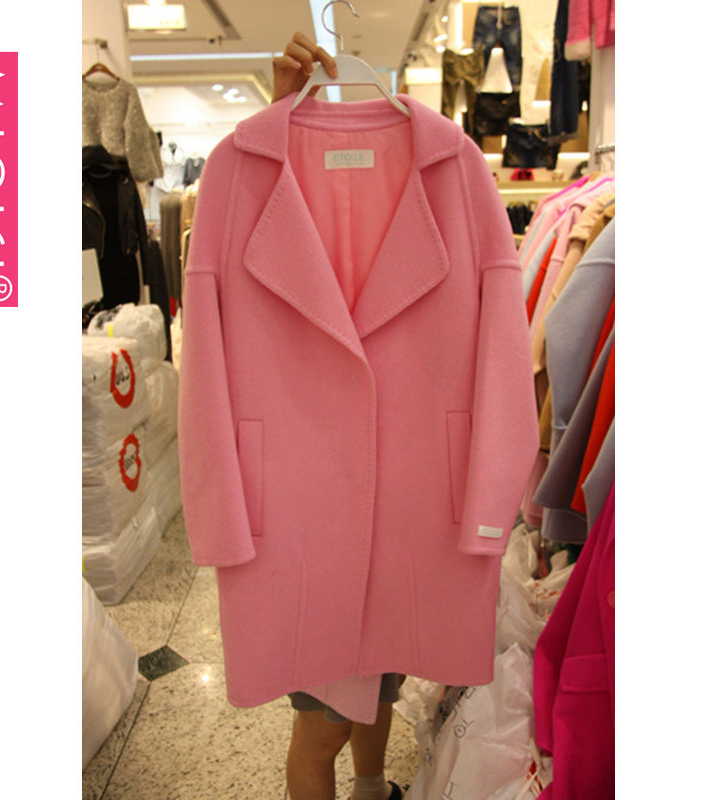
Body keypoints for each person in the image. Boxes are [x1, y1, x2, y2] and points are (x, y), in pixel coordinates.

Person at [270, 32, 406, 800]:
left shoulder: (436, 172)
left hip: (395, 503)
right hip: (313, 512)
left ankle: (373, 787)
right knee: (321, 722)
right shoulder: (260, 179)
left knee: (380, 687)